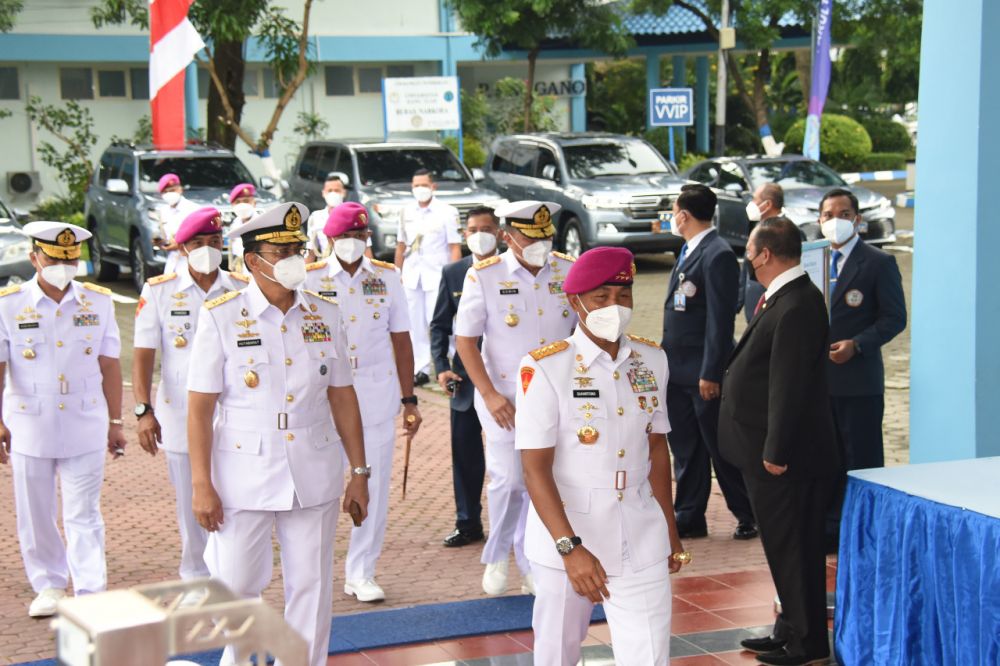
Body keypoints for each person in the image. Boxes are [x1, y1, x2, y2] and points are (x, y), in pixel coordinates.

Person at [187, 202, 370, 666]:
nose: (295, 256)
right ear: (253, 260)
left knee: (310, 586)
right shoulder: (221, 315)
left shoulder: (323, 313)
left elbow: (343, 396)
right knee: (238, 584)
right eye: (281, 249)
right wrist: (201, 484)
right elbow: (200, 408)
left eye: (298, 247)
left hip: (314, 467)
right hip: (242, 471)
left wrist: (360, 471)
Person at [517, 246, 689, 665]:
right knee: (557, 655)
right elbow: (535, 469)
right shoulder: (546, 368)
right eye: (601, 297)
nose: (615, 307)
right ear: (575, 302)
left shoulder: (651, 359)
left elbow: (656, 448)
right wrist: (569, 547)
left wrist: (669, 527)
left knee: (648, 656)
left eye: (623, 295)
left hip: (639, 529)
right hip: (569, 530)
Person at [719, 217, 839, 666]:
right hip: (765, 451)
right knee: (782, 547)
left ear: (765, 254)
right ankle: (789, 630)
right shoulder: (784, 297)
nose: (747, 259)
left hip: (785, 458)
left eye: (750, 250)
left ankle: (808, 645)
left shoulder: (798, 303)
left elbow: (787, 386)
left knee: (796, 549)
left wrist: (775, 450)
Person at [0, 221, 125, 618]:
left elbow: (109, 365)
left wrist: (116, 421)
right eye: (56, 258)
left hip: (85, 421)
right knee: (35, 511)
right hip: (29, 423)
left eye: (71, 259)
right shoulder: (9, 304)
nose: (64, 265)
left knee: (83, 512)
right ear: (35, 257)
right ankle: (50, 584)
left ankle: (90, 590)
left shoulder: (98, 302)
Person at [455, 200, 577, 596]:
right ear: (509, 237)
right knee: (508, 481)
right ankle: (496, 555)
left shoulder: (567, 270)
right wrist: (488, 393)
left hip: (556, 397)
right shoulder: (484, 275)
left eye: (545, 235)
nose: (540, 243)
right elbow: (466, 341)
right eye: (530, 236)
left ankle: (528, 559)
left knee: (541, 478)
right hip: (505, 396)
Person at [304, 201, 421, 603]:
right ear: (329, 239)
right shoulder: (309, 278)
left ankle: (361, 572)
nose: (353, 243)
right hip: (320, 400)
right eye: (345, 237)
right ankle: (314, 573)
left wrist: (410, 399)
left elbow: (401, 339)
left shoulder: (387, 278)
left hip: (374, 397)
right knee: (318, 489)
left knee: (370, 486)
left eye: (360, 236)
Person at [132, 207, 250, 584]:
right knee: (193, 505)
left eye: (215, 242)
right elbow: (143, 356)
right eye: (199, 243)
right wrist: (142, 411)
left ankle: (230, 577)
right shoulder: (160, 291)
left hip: (234, 416)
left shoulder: (240, 289)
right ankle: (196, 576)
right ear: (183, 249)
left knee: (235, 503)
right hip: (181, 416)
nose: (208, 250)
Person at [661, 184, 756, 540]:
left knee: (721, 447)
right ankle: (689, 514)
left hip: (703, 371)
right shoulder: (688, 249)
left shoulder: (717, 254)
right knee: (686, 447)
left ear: (683, 215)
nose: (673, 218)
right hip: (678, 369)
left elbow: (720, 319)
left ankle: (748, 513)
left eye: (673, 211)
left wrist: (711, 372)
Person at [430, 207, 501, 548]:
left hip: (505, 376)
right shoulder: (454, 272)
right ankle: (468, 521)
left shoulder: (510, 271)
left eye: (486, 228)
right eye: (473, 228)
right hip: (465, 376)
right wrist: (440, 366)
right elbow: (440, 325)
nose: (479, 234)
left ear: (500, 233)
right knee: (466, 451)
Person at [395, 168, 462, 386]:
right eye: (416, 185)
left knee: (440, 322)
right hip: (413, 275)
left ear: (433, 187)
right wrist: (398, 273)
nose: (420, 189)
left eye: (424, 185)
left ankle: (456, 361)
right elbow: (401, 245)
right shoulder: (405, 212)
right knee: (414, 324)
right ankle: (420, 368)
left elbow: (454, 246)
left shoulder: (447, 212)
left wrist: (454, 277)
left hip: (438, 275)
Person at [738, 183, 784, 323]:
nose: (751, 203)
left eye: (755, 199)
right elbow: (747, 270)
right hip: (753, 316)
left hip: (773, 315)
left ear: (767, 204)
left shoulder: (786, 233)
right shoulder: (758, 228)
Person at [154, 173, 198, 274]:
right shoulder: (163, 211)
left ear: (180, 189)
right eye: (166, 191)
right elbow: (166, 237)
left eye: (172, 190)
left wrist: (179, 245)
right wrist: (161, 242)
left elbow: (199, 237)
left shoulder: (193, 209)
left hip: (191, 261)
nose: (169, 194)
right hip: (172, 261)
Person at [306, 172, 350, 261]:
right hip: (326, 270)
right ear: (323, 193)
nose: (333, 194)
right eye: (329, 191)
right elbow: (310, 252)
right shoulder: (316, 217)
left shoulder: (354, 216)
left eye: (337, 190)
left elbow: (367, 253)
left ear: (344, 193)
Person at [227, 182, 259, 274]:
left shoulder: (262, 223)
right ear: (233, 206)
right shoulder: (234, 224)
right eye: (237, 202)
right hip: (241, 271)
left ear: (254, 203)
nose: (242, 205)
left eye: (246, 201)